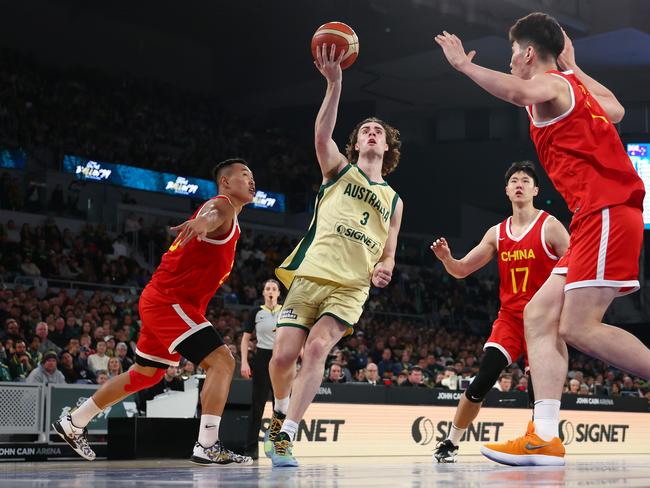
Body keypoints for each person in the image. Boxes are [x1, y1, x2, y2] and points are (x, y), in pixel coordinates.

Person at [435, 12, 646, 466]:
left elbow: (517, 91)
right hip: (593, 217)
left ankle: (546, 432)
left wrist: (465, 67)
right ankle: (544, 434)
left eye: (513, 53)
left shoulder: (548, 84)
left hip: (608, 210)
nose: (510, 62)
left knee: (577, 327)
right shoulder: (571, 85)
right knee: (539, 312)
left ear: (529, 53)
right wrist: (574, 64)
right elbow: (616, 109)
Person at [52, 158, 256, 465]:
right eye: (244, 175)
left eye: (253, 176)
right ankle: (208, 444)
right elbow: (212, 214)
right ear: (225, 182)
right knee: (222, 361)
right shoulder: (222, 205)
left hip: (161, 300)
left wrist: (203, 222)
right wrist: (203, 222)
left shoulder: (231, 219)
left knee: (145, 374)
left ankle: (74, 421)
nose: (252, 180)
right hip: (168, 302)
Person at [267, 43, 404, 467]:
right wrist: (335, 83)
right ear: (357, 143)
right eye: (365, 130)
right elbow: (322, 135)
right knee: (282, 356)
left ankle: (288, 434)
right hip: (311, 274)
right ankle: (278, 411)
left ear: (387, 147)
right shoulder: (338, 170)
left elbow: (389, 252)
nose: (371, 133)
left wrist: (384, 269)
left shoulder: (395, 200)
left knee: (317, 350)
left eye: (377, 131)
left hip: (350, 287)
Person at [431, 161, 569, 463]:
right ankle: (451, 442)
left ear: (535, 190)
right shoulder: (497, 232)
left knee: (537, 389)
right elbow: (462, 270)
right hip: (510, 319)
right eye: (514, 180)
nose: (519, 184)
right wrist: (447, 259)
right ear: (507, 191)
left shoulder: (550, 225)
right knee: (483, 378)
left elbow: (576, 265)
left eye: (525, 180)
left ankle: (539, 441)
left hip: (543, 321)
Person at [240, 278, 282, 459]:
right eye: (268, 288)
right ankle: (250, 449)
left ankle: (279, 447)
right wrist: (244, 362)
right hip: (262, 359)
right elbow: (245, 339)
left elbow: (296, 336)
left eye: (274, 288)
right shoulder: (256, 312)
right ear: (264, 293)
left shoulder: (286, 311)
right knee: (257, 405)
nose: (271, 291)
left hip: (281, 360)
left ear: (279, 293)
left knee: (280, 407)